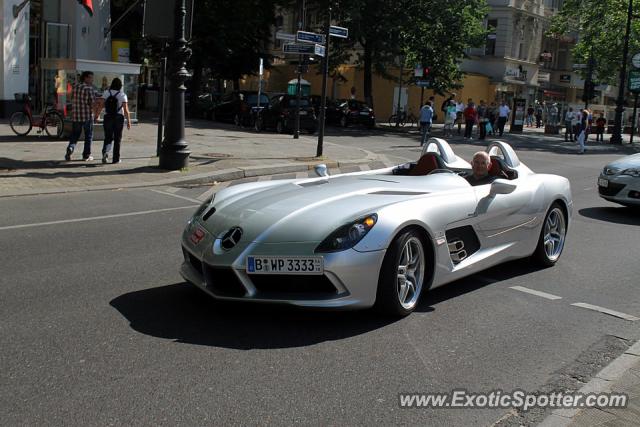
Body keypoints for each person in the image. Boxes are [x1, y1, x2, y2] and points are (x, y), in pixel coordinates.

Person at [95, 77, 131, 164]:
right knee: (117, 139)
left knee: (108, 137)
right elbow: (126, 110)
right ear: (120, 86)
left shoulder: (106, 93)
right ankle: (116, 159)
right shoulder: (122, 95)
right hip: (118, 117)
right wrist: (128, 121)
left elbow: (101, 106)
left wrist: (96, 116)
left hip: (108, 117)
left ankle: (106, 152)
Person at [65, 71, 97, 161]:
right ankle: (86, 155)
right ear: (85, 78)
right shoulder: (89, 89)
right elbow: (92, 104)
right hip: (87, 116)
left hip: (76, 115)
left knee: (75, 134)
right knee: (88, 136)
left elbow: (69, 97)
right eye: (91, 77)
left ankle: (70, 148)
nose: (92, 79)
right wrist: (96, 114)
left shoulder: (75, 87)